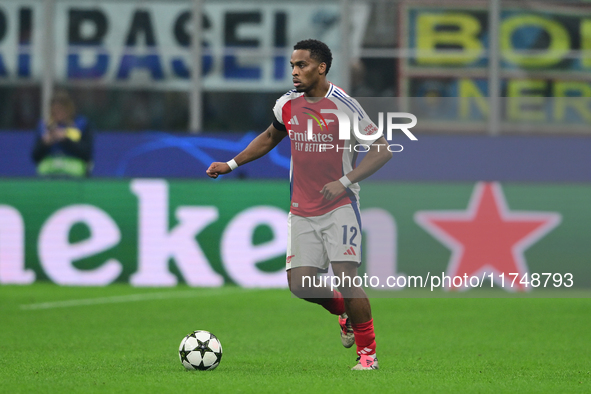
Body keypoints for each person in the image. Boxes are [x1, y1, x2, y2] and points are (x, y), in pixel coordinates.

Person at [206, 39, 391, 370]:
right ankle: (343, 312)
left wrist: (345, 182)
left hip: (340, 206)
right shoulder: (287, 105)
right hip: (301, 209)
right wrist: (231, 164)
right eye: (292, 65)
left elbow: (382, 149)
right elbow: (268, 138)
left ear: (321, 68)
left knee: (346, 277)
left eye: (301, 65)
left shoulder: (344, 105)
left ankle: (368, 356)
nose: (294, 72)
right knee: (300, 285)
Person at [31, 91, 93, 177]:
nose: (58, 113)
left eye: (61, 110)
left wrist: (65, 139)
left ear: (69, 109)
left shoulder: (81, 124)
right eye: (55, 110)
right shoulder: (44, 126)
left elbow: (87, 154)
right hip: (48, 174)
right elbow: (35, 156)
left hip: (73, 174)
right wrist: (45, 143)